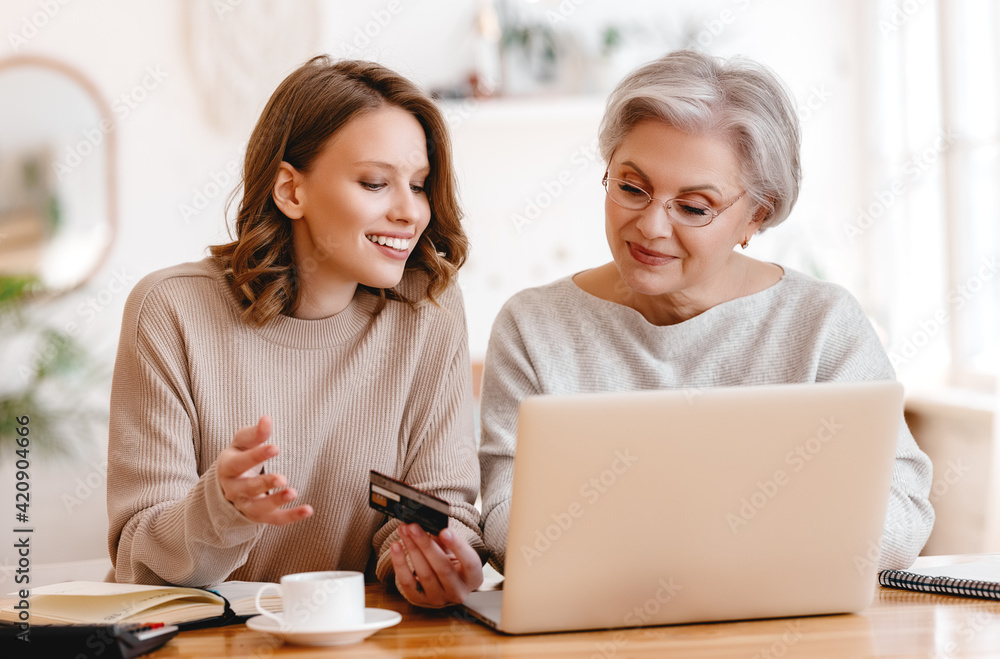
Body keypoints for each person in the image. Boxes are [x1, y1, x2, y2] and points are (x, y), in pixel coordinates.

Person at [479, 50, 934, 573]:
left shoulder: (821, 325)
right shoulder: (533, 327)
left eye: (694, 207)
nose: (650, 226)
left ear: (756, 215)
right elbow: (509, 524)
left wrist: (688, 547)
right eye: (632, 188)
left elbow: (901, 514)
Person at [107, 56, 484, 608]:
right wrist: (221, 508)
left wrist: (434, 559)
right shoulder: (170, 311)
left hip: (367, 638)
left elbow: (441, 510)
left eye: (421, 185)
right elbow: (138, 561)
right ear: (290, 191)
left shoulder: (429, 308)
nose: (411, 212)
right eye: (376, 183)